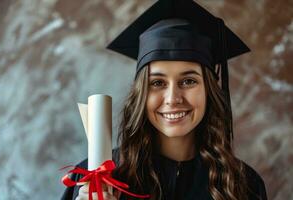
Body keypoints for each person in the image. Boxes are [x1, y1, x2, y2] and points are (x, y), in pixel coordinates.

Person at [61, 0, 267, 199]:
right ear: (141, 93)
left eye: (188, 81)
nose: (173, 98)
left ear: (209, 89)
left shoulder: (243, 185)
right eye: (157, 83)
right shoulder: (94, 179)